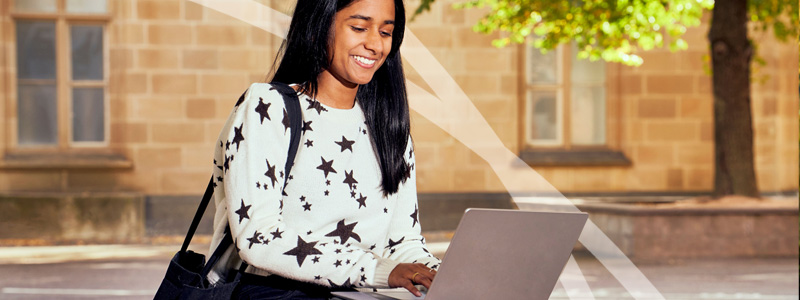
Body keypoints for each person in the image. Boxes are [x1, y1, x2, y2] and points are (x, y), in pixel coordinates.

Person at [206, 0, 440, 298]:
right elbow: (258, 236)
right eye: (359, 27)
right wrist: (377, 271)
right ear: (317, 28)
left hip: (354, 295)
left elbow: (401, 242)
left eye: (385, 32)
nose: (374, 44)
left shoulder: (390, 129)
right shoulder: (269, 107)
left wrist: (443, 273)